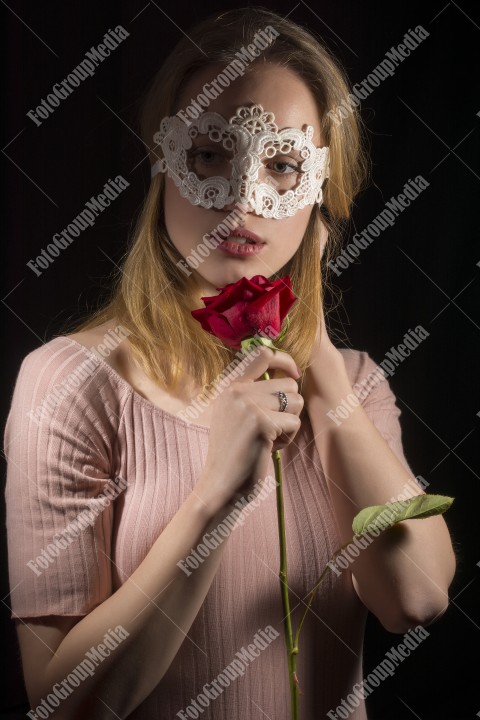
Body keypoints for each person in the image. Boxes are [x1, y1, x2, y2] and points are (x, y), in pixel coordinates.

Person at [4, 7, 455, 720]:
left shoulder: (359, 384)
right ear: (163, 165)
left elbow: (418, 598)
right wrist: (214, 500)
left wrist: (327, 376)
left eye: (282, 165)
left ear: (321, 196)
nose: (244, 201)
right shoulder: (68, 384)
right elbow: (66, 703)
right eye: (210, 155)